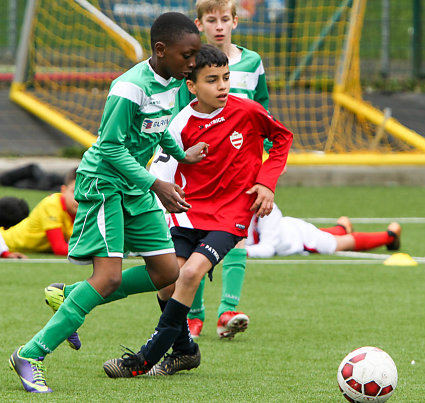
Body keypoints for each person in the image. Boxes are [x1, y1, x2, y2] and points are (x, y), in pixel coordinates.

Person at [9, 12, 207, 394]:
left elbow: (160, 125)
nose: (193, 63)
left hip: (135, 186)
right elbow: (111, 146)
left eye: (196, 55)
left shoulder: (173, 82)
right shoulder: (128, 87)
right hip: (104, 185)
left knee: (167, 272)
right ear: (161, 50)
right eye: (188, 55)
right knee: (108, 277)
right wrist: (157, 184)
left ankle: (70, 297)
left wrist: (181, 155)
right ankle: (30, 354)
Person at [102, 44, 292, 378]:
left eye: (226, 78)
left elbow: (281, 139)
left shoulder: (247, 111)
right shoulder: (180, 123)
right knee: (166, 281)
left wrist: (266, 182)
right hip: (188, 213)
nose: (222, 86)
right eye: (212, 80)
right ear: (192, 86)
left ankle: (145, 359)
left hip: (232, 213)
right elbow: (160, 169)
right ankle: (186, 350)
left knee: (190, 274)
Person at [178, 0, 271, 340]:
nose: (219, 26)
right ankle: (194, 315)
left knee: (238, 234)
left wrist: (267, 170)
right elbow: (182, 114)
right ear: (199, 24)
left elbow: (263, 112)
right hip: (201, 169)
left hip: (242, 170)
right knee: (197, 237)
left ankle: (227, 310)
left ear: (235, 21)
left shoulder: (252, 62)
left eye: (224, 19)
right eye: (211, 20)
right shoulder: (190, 66)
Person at [245, 203, 402, 258]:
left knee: (340, 243)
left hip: (301, 239)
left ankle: (390, 235)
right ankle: (342, 227)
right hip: (290, 229)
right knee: (322, 234)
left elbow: (268, 249)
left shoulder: (266, 208)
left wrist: (240, 252)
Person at [0, 169, 77, 259]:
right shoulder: (52, 204)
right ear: (63, 190)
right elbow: (59, 249)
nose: (79, 198)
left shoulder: (88, 209)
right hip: (5, 241)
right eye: (74, 191)